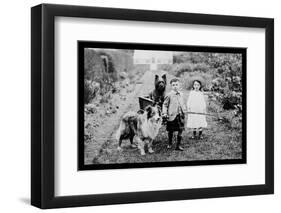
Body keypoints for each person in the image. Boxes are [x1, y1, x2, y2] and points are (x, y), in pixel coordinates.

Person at [162, 78, 186, 151]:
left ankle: (178, 145)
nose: (175, 86)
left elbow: (182, 103)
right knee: (171, 130)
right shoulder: (169, 95)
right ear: (171, 86)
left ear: (179, 85)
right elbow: (165, 105)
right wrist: (165, 113)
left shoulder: (181, 94)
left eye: (176, 85)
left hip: (180, 115)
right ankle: (170, 143)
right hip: (172, 116)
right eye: (173, 85)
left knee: (180, 130)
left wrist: (184, 109)